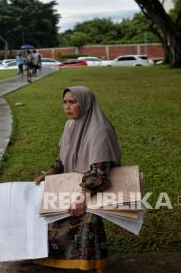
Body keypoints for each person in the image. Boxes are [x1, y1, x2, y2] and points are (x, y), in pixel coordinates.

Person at [34, 86, 121, 272]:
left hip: (95, 187)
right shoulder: (70, 125)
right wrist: (49, 172)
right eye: (65, 102)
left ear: (86, 104)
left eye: (72, 102)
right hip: (72, 183)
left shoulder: (100, 130)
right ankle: (53, 258)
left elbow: (100, 171)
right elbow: (63, 159)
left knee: (86, 216)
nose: (67, 106)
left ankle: (91, 262)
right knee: (42, 208)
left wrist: (82, 197)